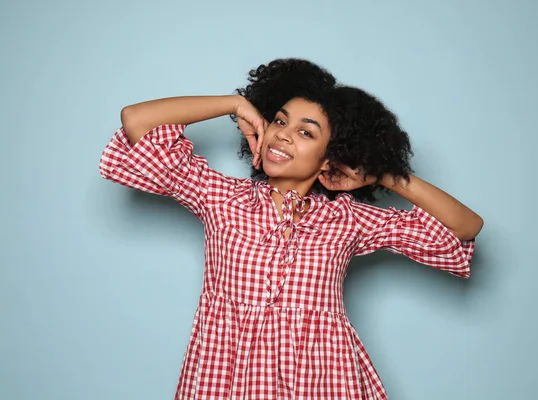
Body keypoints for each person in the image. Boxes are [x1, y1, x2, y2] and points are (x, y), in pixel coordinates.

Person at [99, 58, 483, 399]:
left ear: (329, 158)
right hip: (224, 376)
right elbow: (135, 119)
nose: (283, 133)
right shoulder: (222, 197)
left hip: (325, 378)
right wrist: (233, 104)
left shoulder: (347, 219)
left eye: (306, 132)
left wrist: (381, 174)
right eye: (280, 120)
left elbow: (465, 226)